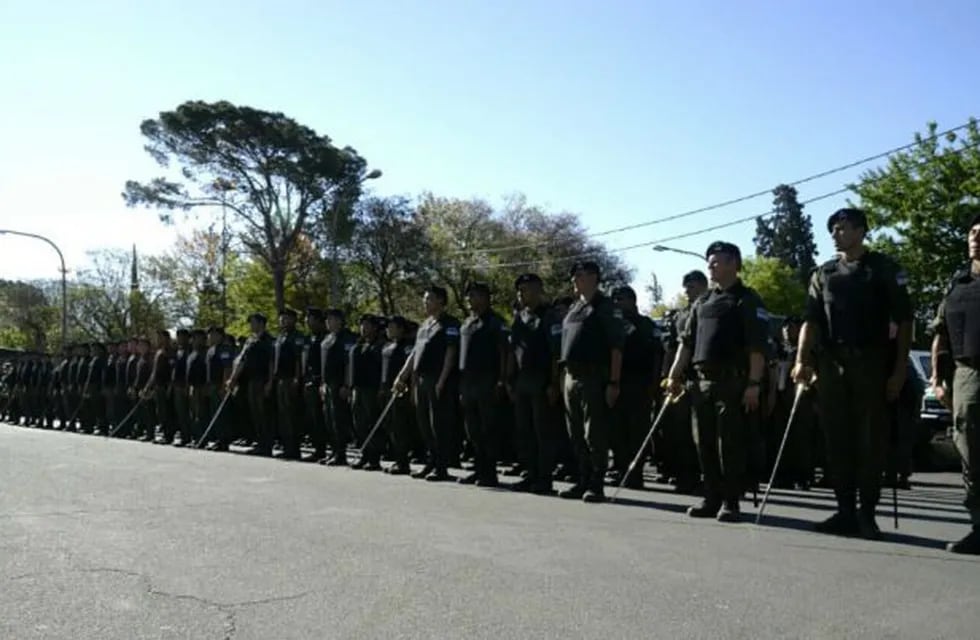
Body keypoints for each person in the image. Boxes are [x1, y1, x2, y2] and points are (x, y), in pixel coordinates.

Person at [793, 208, 913, 540]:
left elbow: (904, 320)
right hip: (832, 365)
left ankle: (867, 514)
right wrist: (803, 359)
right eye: (832, 229)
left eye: (842, 228)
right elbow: (811, 321)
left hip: (872, 363)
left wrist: (900, 367)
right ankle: (844, 510)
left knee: (870, 441)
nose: (835, 234)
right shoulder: (824, 273)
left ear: (860, 231)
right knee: (837, 440)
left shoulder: (884, 268)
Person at [665, 241, 768, 522]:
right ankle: (711, 496)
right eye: (709, 262)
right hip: (701, 383)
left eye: (716, 262)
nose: (710, 267)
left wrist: (754, 383)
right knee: (704, 443)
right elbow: (686, 344)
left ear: (733, 263)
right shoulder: (702, 302)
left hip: (732, 382)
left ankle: (731, 501)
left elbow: (757, 347)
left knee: (729, 444)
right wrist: (674, 375)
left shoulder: (746, 299)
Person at [929, 212, 980, 554]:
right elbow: (940, 335)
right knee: (971, 449)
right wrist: (937, 378)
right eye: (973, 232)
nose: (976, 237)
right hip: (968, 374)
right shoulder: (958, 285)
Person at [558, 260, 626, 503]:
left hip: (593, 376)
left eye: (581, 275)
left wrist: (614, 382)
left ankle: (596, 483)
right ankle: (582, 478)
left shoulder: (605, 307)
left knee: (593, 433)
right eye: (574, 275)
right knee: (575, 432)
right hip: (571, 376)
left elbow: (616, 347)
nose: (575, 279)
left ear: (594, 278)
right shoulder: (575, 308)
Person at [393, 286, 461, 482]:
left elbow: (451, 353)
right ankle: (430, 462)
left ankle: (441, 468)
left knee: (438, 425)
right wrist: (402, 376)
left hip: (438, 379)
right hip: (421, 380)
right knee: (424, 425)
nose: (425, 303)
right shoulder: (425, 326)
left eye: (429, 299)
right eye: (425, 299)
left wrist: (441, 380)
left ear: (441, 301)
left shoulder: (449, 324)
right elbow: (415, 354)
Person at [507, 273, 562, 495]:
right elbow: (513, 349)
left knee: (542, 431)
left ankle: (544, 478)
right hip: (522, 380)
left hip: (541, 379)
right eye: (519, 290)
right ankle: (529, 474)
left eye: (527, 289)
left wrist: (553, 382)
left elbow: (555, 353)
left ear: (539, 290)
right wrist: (509, 379)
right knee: (524, 431)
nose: (522, 293)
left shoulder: (549, 317)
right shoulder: (519, 317)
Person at [610, 285, 663, 489]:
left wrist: (655, 382)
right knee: (617, 430)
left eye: (621, 299)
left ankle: (636, 473)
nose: (618, 303)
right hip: (618, 382)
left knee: (637, 430)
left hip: (640, 383)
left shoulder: (646, 324)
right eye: (615, 300)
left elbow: (657, 353)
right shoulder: (614, 324)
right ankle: (622, 469)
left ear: (633, 301)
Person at [458, 282, 508, 487]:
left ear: (486, 298)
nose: (470, 300)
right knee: (473, 430)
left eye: (475, 296)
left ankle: (489, 472)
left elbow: (504, 352)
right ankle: (478, 469)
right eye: (469, 296)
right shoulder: (467, 323)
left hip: (487, 379)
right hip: (468, 381)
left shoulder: (496, 322)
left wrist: (502, 380)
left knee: (488, 428)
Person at [273, 308, 306, 460]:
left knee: (292, 414)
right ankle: (286, 446)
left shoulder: (297, 337)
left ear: (293, 320)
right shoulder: (280, 337)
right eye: (281, 319)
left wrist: (297, 378)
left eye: (286, 318)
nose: (283, 321)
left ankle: (294, 448)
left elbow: (299, 359)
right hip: (280, 379)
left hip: (290, 379)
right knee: (283, 415)